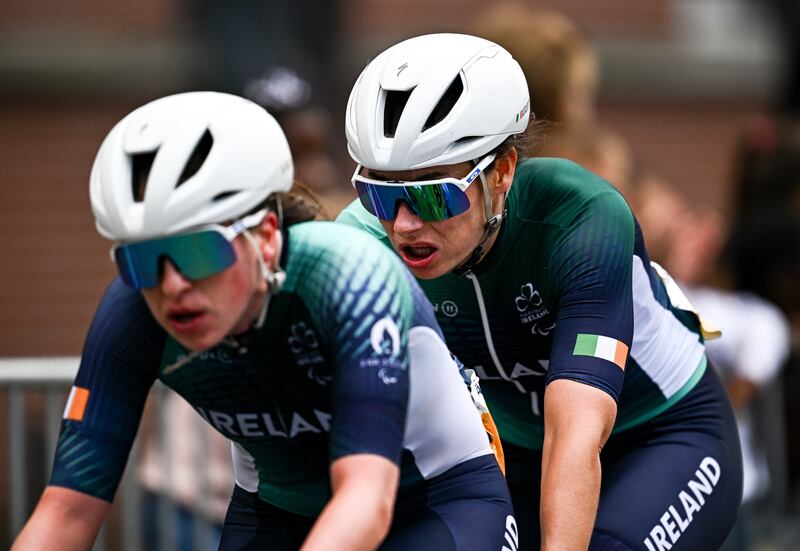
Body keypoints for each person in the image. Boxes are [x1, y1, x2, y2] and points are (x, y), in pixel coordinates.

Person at [11, 91, 515, 551]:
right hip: (277, 514)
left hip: (432, 503)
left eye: (197, 250)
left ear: (267, 236)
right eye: (143, 260)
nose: (172, 285)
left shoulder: (348, 274)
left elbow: (367, 497)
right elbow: (68, 510)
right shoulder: (132, 309)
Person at [337, 33, 743, 550]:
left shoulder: (580, 218)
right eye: (379, 193)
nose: (405, 225)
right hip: (515, 452)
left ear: (502, 171)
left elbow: (576, 435)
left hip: (657, 433)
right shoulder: (361, 239)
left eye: (434, 194)